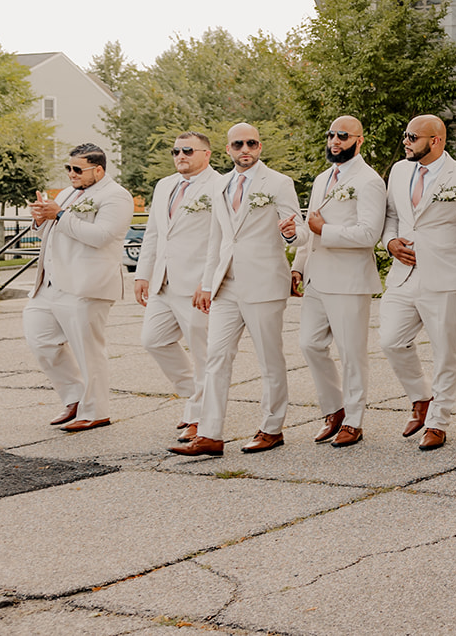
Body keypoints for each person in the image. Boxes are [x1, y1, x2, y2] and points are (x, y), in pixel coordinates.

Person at [173, 124, 303, 457]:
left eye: (252, 143)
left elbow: (300, 232)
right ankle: (210, 434)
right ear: (228, 149)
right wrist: (206, 283)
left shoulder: (278, 182)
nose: (245, 148)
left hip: (263, 284)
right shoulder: (220, 185)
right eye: (238, 144)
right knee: (215, 358)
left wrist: (290, 233)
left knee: (269, 360)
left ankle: (271, 429)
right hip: (225, 286)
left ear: (260, 146)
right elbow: (217, 239)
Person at [381, 115, 456, 451]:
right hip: (403, 274)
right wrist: (389, 242)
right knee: (391, 341)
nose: (406, 141)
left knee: (444, 353)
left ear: (436, 140)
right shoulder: (398, 171)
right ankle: (421, 398)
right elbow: (393, 216)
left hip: (445, 276)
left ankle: (438, 422)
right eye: (405, 135)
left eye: (413, 136)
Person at [292, 116, 388, 449]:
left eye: (343, 135)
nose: (335, 140)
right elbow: (309, 226)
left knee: (351, 353)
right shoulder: (322, 178)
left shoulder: (369, 181)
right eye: (331, 134)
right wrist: (298, 265)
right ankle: (334, 408)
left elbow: (369, 234)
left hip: (349, 280)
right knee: (309, 344)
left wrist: (323, 231)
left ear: (359, 140)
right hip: (317, 277)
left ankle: (354, 420)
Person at [24, 143, 134, 432]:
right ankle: (74, 396)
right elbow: (52, 228)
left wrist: (59, 215)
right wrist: (40, 219)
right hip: (49, 283)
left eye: (77, 169)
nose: (71, 174)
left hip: (86, 285)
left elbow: (101, 236)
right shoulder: (66, 193)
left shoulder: (116, 196)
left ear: (98, 170)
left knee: (89, 351)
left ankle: (96, 411)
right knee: (40, 340)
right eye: (68, 168)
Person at [133, 132, 221, 442]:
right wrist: (142, 274)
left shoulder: (219, 186)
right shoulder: (165, 185)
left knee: (204, 353)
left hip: (197, 285)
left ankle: (200, 417)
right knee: (153, 340)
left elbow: (220, 239)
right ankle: (193, 397)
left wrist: (208, 281)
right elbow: (154, 233)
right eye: (175, 151)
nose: (180, 155)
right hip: (163, 281)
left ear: (206, 154)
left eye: (187, 150)